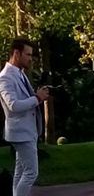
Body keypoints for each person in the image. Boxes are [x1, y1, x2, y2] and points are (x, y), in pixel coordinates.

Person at [0, 39, 49, 196]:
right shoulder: (5, 77)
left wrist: (36, 95)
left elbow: (22, 99)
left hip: (27, 130)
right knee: (31, 173)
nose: (30, 58)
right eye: (27, 54)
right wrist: (37, 99)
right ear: (16, 53)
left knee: (20, 172)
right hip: (20, 132)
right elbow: (13, 105)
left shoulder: (19, 73)